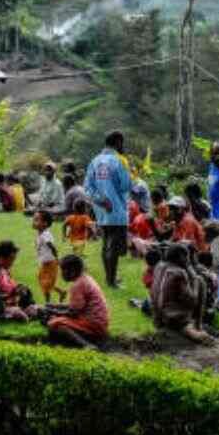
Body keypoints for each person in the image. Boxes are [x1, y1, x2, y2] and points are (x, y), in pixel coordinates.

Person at [85, 131, 133, 288]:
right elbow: (126, 185)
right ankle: (111, 280)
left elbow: (88, 187)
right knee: (115, 246)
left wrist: (100, 200)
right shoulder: (120, 160)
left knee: (106, 243)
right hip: (117, 209)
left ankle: (109, 278)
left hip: (101, 209)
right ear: (118, 142)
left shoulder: (95, 161)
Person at [151, 243, 215, 345]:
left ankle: (191, 329)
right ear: (182, 257)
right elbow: (192, 301)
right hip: (175, 319)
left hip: (157, 317)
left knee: (197, 281)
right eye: (188, 256)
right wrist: (193, 277)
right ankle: (197, 327)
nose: (189, 259)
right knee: (200, 281)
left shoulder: (159, 266)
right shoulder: (179, 273)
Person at [44, 255, 110, 349]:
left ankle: (86, 345)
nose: (61, 274)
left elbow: (73, 312)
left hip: (93, 324)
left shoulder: (77, 286)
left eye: (63, 270)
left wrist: (55, 311)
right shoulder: (86, 279)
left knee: (55, 324)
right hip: (100, 322)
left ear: (72, 271)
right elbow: (76, 306)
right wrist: (54, 306)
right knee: (55, 318)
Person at [0, 239, 36, 321]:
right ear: (2, 257)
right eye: (11, 259)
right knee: (20, 314)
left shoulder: (5, 271)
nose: (12, 263)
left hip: (14, 305)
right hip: (2, 308)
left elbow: (11, 288)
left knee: (35, 310)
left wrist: (18, 289)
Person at [33, 209, 65, 303]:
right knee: (43, 280)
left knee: (46, 283)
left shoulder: (45, 234)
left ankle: (48, 302)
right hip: (45, 262)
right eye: (34, 219)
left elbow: (52, 247)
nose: (34, 222)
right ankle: (61, 292)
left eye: (36, 220)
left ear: (45, 224)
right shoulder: (40, 234)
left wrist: (57, 259)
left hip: (50, 262)